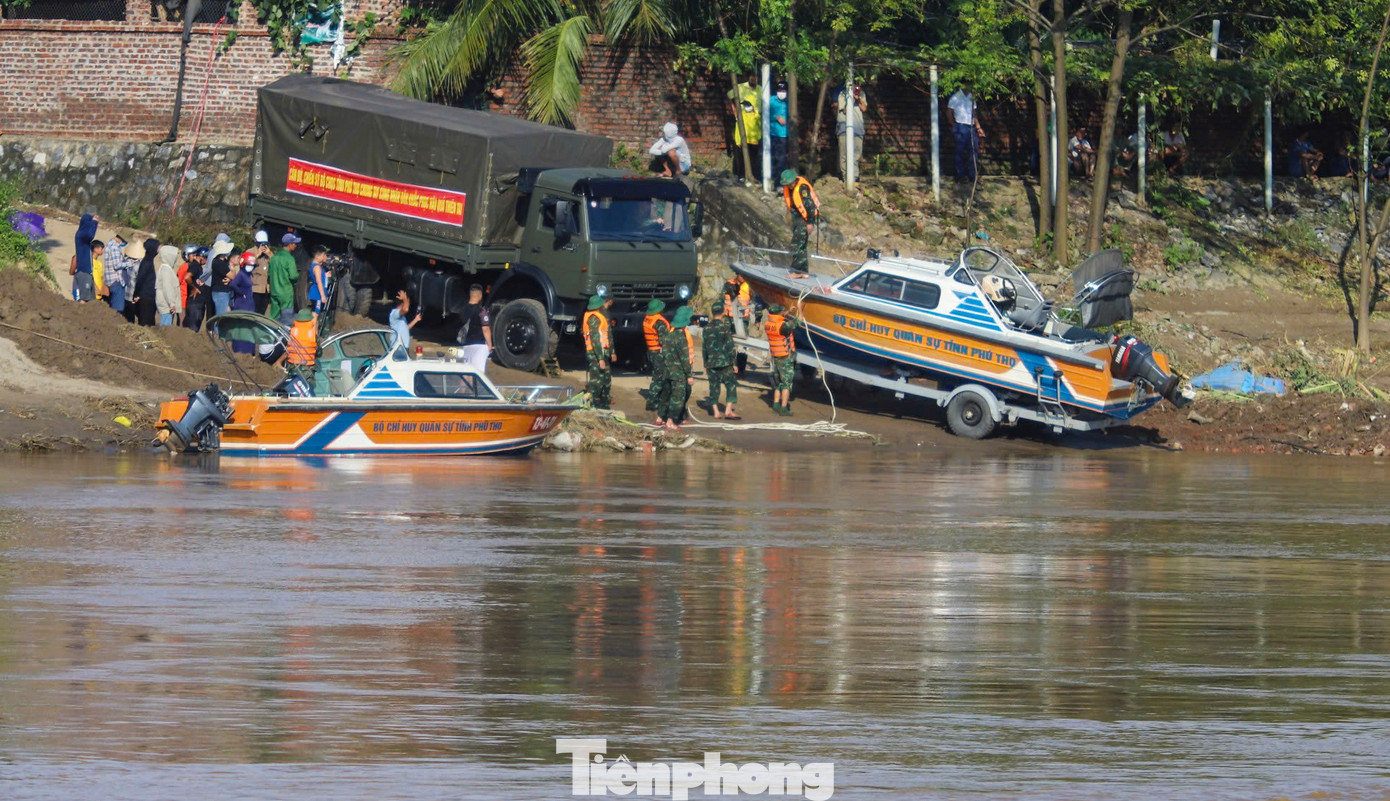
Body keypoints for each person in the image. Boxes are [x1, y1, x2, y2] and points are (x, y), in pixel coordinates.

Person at [656, 306, 695, 430]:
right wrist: (689, 375)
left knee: (666, 395)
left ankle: (660, 418)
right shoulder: (681, 338)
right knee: (678, 397)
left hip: (666, 371)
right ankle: (670, 421)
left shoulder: (668, 336)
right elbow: (684, 358)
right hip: (678, 373)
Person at [702, 301, 739, 420]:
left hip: (711, 363)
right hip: (725, 363)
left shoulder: (706, 328)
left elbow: (704, 347)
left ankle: (716, 412)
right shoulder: (725, 327)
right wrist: (734, 363)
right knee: (731, 385)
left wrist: (705, 363)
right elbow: (730, 347)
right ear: (723, 312)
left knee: (714, 387)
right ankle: (728, 411)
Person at [781, 169, 820, 277]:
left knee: (797, 244)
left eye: (790, 183)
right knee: (801, 245)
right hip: (797, 218)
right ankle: (804, 272)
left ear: (794, 180)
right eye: (787, 184)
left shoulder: (803, 188)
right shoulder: (789, 188)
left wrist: (810, 223)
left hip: (804, 219)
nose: (789, 186)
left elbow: (810, 206)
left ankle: (796, 271)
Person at [947, 81, 984, 183]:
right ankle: (961, 175)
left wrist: (978, 127)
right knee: (960, 151)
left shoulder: (972, 97)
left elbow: (974, 113)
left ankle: (973, 175)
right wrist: (953, 124)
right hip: (960, 125)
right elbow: (949, 112)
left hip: (971, 127)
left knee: (973, 151)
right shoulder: (955, 97)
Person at [728, 73, 763, 181]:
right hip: (743, 124)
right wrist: (735, 111)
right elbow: (730, 97)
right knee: (741, 151)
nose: (753, 78)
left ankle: (754, 176)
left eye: (755, 76)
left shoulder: (761, 90)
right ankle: (741, 175)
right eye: (751, 76)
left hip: (755, 126)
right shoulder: (740, 87)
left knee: (754, 153)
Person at [765, 302, 797, 416]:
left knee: (778, 383)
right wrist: (800, 310)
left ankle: (775, 405)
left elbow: (779, 318)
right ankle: (784, 408)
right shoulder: (783, 327)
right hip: (785, 358)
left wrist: (788, 311)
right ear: (778, 314)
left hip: (776, 356)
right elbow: (798, 322)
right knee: (786, 384)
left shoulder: (768, 324)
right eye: (781, 311)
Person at [582, 294, 613, 410]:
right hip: (596, 355)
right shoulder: (594, 318)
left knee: (606, 380)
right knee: (597, 382)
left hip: (602, 353)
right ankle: (593, 406)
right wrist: (600, 358)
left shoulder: (599, 316)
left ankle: (603, 405)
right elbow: (595, 340)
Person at [642, 298, 671, 419]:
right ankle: (652, 402)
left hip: (651, 351)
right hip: (659, 353)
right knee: (659, 379)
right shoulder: (659, 322)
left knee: (657, 376)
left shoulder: (647, 319)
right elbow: (664, 341)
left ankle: (654, 400)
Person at [836, 81, 868, 180]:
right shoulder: (842, 94)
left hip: (858, 128)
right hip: (844, 128)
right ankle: (845, 176)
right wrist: (851, 98)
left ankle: (855, 176)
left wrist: (858, 99)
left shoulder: (862, 93)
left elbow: (864, 108)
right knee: (844, 154)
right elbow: (845, 110)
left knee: (856, 154)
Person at [459, 283, 493, 373]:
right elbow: (485, 329)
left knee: (466, 372)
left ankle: (464, 383)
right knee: (478, 373)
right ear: (480, 295)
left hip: (466, 345)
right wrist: (490, 344)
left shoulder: (462, 310)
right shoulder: (482, 311)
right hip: (479, 345)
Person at [268, 233, 301, 325]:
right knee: (286, 319)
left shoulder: (274, 258)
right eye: (294, 243)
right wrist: (298, 275)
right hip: (286, 292)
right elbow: (293, 276)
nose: (296, 245)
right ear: (290, 244)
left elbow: (269, 273)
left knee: (273, 318)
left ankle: (271, 332)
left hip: (274, 292)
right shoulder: (289, 258)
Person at [228, 253, 257, 354]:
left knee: (249, 327)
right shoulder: (241, 274)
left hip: (249, 304)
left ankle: (249, 350)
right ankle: (240, 349)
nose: (251, 267)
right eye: (249, 265)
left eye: (252, 265)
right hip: (242, 304)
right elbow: (233, 284)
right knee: (242, 327)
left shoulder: (248, 274)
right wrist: (241, 293)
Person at [72, 211, 98, 303]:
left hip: (87, 272)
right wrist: (94, 222)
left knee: (91, 301)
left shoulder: (82, 235)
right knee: (84, 299)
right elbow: (91, 235)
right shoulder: (81, 234)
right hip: (83, 271)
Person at [104, 235, 132, 318]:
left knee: (113, 307)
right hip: (117, 280)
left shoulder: (109, 244)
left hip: (111, 280)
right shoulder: (115, 247)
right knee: (117, 311)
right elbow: (117, 265)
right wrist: (129, 263)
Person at [130, 238, 157, 326]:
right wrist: (136, 294)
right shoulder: (147, 262)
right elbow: (140, 279)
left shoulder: (150, 260)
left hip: (149, 296)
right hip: (145, 297)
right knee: (146, 323)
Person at [154, 244, 183, 326]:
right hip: (166, 305)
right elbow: (168, 289)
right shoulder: (166, 270)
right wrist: (172, 304)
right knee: (166, 327)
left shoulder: (166, 269)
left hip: (166, 304)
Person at [183, 247, 210, 332]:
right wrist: (193, 288)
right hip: (195, 303)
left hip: (197, 303)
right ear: (202, 257)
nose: (207, 260)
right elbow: (187, 277)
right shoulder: (195, 265)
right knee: (192, 330)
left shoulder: (198, 266)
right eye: (206, 258)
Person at [388, 289, 420, 355]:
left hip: (404, 347)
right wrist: (405, 299)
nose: (409, 304)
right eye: (408, 302)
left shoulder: (402, 317)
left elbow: (406, 328)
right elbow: (405, 309)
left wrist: (416, 320)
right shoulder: (394, 313)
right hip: (397, 348)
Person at [769, 81, 790, 178]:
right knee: (772, 157)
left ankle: (780, 179)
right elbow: (765, 113)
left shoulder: (789, 102)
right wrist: (777, 117)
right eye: (779, 90)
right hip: (772, 133)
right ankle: (772, 177)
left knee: (782, 158)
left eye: (783, 91)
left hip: (784, 134)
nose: (781, 93)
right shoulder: (771, 100)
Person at [209, 239, 234, 317]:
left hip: (223, 291)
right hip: (220, 292)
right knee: (221, 315)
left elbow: (230, 276)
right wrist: (232, 268)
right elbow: (233, 276)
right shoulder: (218, 263)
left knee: (225, 314)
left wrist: (229, 279)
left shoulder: (222, 262)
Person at [306, 244, 332, 316]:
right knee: (315, 314)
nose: (325, 257)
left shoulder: (317, 266)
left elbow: (319, 277)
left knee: (317, 314)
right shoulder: (317, 267)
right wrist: (322, 296)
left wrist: (325, 275)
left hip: (317, 293)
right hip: (317, 294)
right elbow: (318, 281)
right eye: (323, 255)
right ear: (317, 256)